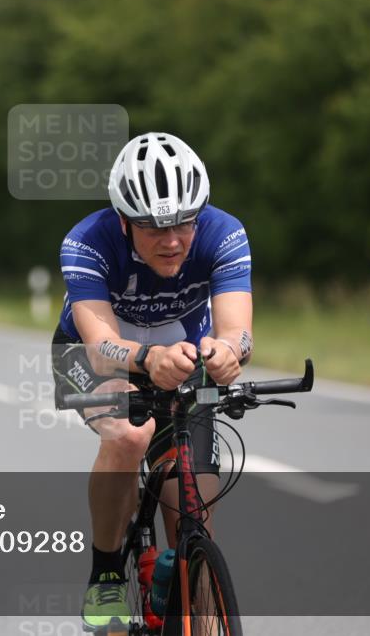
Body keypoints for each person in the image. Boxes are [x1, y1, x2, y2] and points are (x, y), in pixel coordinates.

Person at [51, 132, 253, 630]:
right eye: (152, 227)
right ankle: (105, 573)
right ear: (124, 221)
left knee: (191, 512)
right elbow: (100, 344)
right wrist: (147, 358)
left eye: (183, 223)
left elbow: (238, 332)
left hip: (182, 354)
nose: (172, 240)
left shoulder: (225, 233)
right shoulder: (87, 241)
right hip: (94, 354)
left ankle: (186, 588)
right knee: (127, 434)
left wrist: (229, 352)